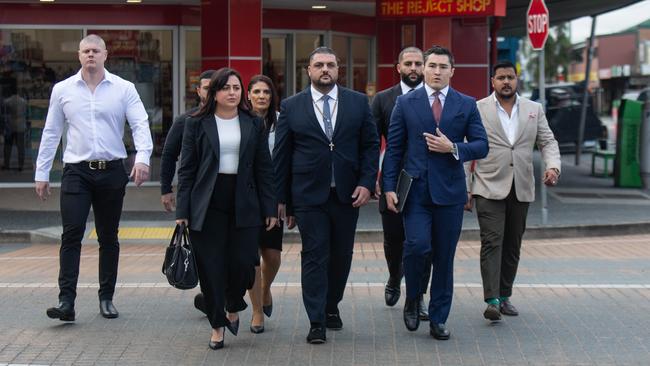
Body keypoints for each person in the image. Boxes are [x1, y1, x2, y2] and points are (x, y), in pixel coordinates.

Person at [34, 34, 153, 321]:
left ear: (105, 55)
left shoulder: (124, 89)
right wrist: (42, 172)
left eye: (95, 51)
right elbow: (51, 133)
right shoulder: (63, 90)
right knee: (71, 234)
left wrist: (143, 158)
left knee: (108, 237)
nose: (90, 55)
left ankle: (106, 298)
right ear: (79, 56)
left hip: (112, 171)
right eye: (85, 51)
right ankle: (66, 302)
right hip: (76, 171)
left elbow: (140, 123)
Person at [273, 47, 379, 344]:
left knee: (341, 255)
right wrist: (281, 200)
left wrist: (367, 182)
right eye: (319, 65)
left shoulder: (358, 103)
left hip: (348, 194)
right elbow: (282, 156)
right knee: (315, 255)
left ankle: (332, 305)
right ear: (308, 70)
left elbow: (370, 146)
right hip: (308, 196)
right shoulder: (292, 106)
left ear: (338, 69)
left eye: (330, 65)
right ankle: (316, 319)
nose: (325, 70)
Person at [382, 45, 488, 340]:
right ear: (424, 69)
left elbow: (482, 145)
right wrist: (388, 186)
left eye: (443, 67)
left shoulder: (466, 104)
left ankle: (439, 318)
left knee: (444, 257)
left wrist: (453, 148)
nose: (437, 71)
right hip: (415, 193)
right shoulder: (406, 103)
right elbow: (394, 149)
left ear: (452, 71)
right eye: (432, 66)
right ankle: (414, 296)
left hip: (450, 195)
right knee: (416, 247)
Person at [175, 68, 277, 350]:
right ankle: (217, 325)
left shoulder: (253, 123)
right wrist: (182, 211)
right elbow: (186, 170)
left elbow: (263, 168)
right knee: (211, 267)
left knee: (244, 263)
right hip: (207, 204)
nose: (233, 92)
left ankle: (234, 304)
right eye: (226, 88)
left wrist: (269, 208)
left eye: (237, 87)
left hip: (245, 202)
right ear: (214, 93)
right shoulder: (196, 123)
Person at [467, 60, 560, 321]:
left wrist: (553, 167)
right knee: (492, 241)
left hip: (521, 186)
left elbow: (548, 141)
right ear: (492, 81)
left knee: (512, 244)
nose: (506, 82)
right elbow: (466, 148)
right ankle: (492, 300)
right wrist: (465, 188)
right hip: (488, 185)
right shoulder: (478, 109)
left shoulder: (533, 109)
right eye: (501, 78)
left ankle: (505, 295)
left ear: (516, 80)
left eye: (510, 77)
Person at [371, 46, 431, 319]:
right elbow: (371, 143)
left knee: (423, 243)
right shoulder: (383, 99)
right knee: (394, 239)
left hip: (425, 180)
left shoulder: (433, 99)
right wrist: (373, 177)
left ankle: (417, 297)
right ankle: (395, 276)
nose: (414, 68)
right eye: (408, 63)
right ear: (398, 67)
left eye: (419, 63)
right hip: (393, 178)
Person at [245, 74, 284, 334]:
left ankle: (265, 290)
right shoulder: (240, 120)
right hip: (245, 198)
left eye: (266, 92)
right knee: (251, 259)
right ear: (248, 95)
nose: (262, 96)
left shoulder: (282, 122)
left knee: (272, 255)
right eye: (257, 91)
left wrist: (284, 199)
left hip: (274, 197)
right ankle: (257, 311)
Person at [160, 69, 215, 212]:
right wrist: (166, 189)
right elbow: (169, 154)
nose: (211, 92)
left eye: (215, 88)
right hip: (196, 191)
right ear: (198, 91)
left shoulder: (232, 119)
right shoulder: (186, 120)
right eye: (207, 88)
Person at [2, 84, 28, 171]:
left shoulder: (7, 101)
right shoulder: (23, 101)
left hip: (10, 125)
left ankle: (7, 164)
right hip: (21, 125)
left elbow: (5, 114)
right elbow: (26, 113)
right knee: (21, 147)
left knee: (8, 146)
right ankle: (21, 165)